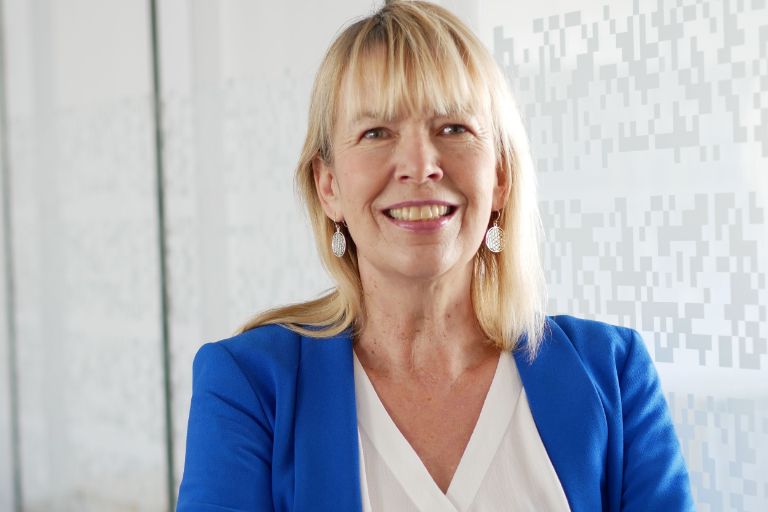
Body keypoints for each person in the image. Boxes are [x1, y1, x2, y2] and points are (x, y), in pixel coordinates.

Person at [176, 1, 694, 511]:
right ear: (328, 185)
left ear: (500, 177)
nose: (421, 165)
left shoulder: (614, 375)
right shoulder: (249, 387)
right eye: (376, 133)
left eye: (453, 129)